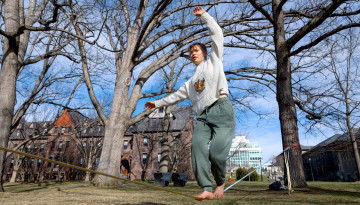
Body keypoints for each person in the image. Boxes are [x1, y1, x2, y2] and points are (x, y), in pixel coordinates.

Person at [145, 6, 235, 200]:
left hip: (221, 110)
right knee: (197, 149)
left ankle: (220, 181)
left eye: (196, 50)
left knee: (217, 155)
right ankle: (207, 187)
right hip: (202, 117)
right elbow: (175, 96)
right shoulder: (190, 82)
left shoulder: (214, 60)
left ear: (204, 52)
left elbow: (217, 33)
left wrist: (204, 16)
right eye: (191, 52)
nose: (193, 54)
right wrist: (158, 104)